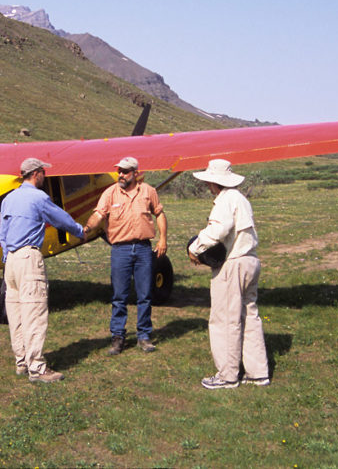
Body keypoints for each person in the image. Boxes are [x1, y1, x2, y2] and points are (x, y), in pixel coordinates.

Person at [0, 157, 84, 384]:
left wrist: (7, 257)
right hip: (28, 258)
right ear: (36, 174)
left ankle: (21, 362)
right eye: (43, 173)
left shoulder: (9, 199)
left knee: (16, 315)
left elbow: (3, 234)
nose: (45, 177)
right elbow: (61, 219)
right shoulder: (38, 197)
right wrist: (80, 230)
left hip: (11, 262)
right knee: (34, 312)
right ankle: (37, 368)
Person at [187, 159, 269, 389]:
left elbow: (218, 229)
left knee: (225, 319)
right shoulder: (241, 199)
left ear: (214, 182)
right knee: (249, 315)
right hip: (250, 260)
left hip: (233, 264)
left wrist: (194, 249)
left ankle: (227, 375)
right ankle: (257, 372)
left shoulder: (225, 201)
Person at [83, 156, 168, 355]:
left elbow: (159, 214)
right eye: (119, 171)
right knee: (119, 296)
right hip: (120, 250)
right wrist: (86, 229)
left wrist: (163, 239)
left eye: (125, 171)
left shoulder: (148, 191)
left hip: (143, 249)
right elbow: (98, 215)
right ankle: (118, 337)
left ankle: (144, 336)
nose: (121, 174)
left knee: (145, 294)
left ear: (135, 173)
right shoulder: (110, 193)